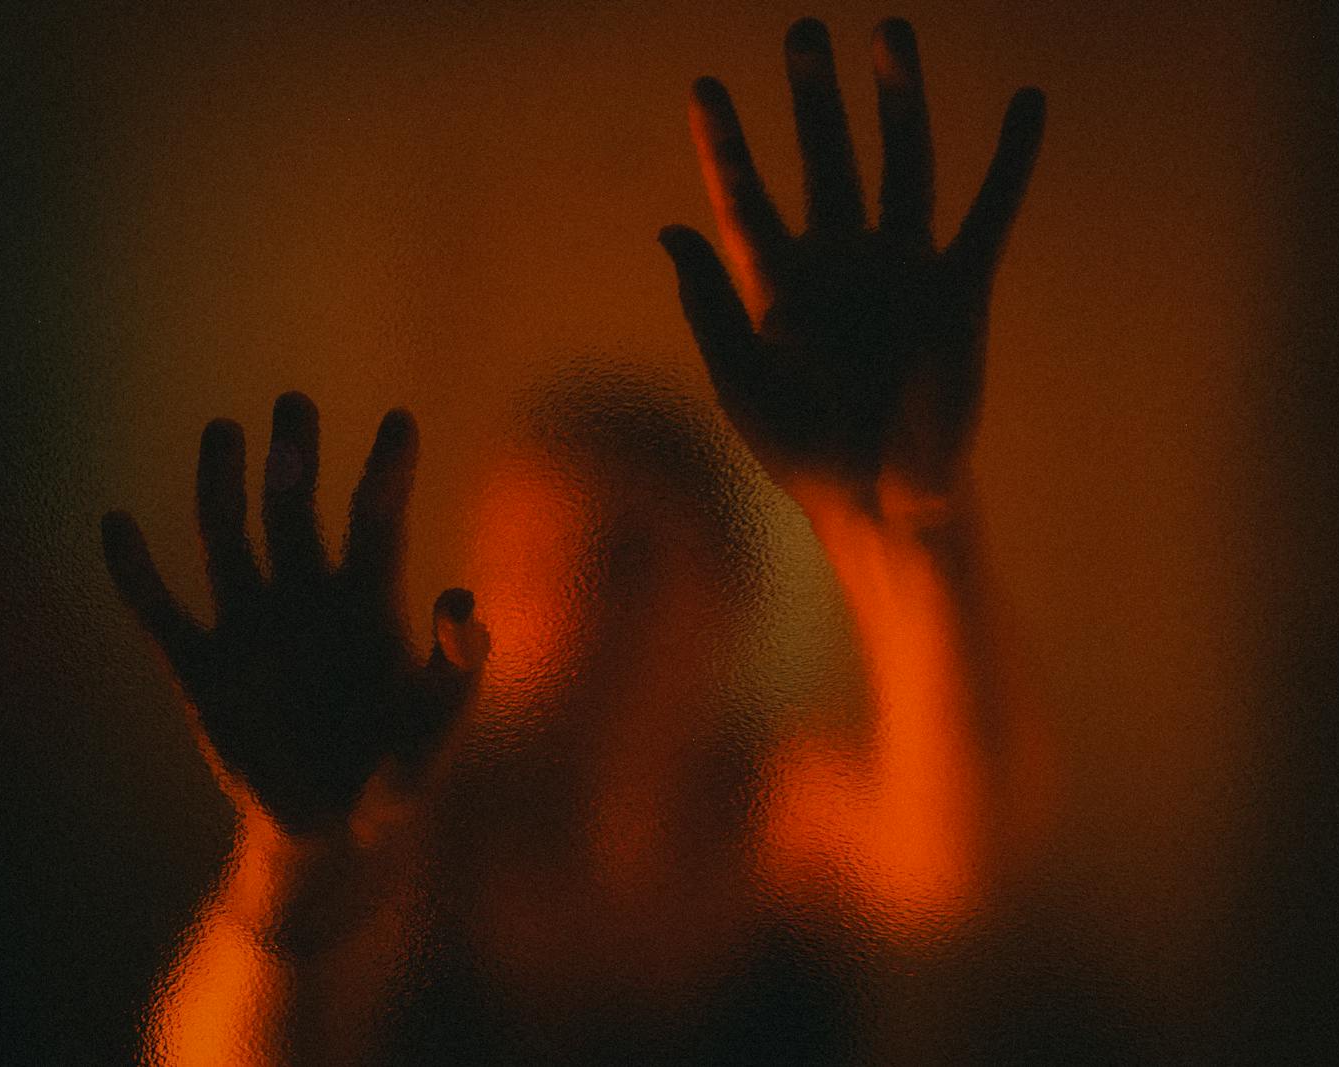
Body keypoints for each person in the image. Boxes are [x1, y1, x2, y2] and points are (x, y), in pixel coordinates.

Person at [103, 17, 1046, 1063]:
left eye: (620, 562)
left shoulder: (770, 810)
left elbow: (947, 865)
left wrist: (911, 513)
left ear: (728, 590)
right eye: (521, 565)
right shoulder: (411, 833)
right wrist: (292, 865)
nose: (564, 605)